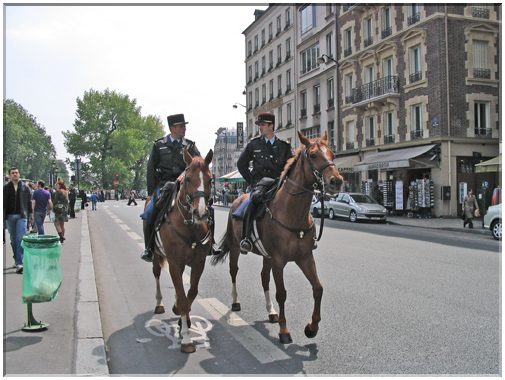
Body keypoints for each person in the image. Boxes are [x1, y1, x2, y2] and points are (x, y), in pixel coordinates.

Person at [140, 113, 220, 262]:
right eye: (181, 126)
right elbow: (151, 169)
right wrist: (151, 193)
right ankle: (149, 248)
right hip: (164, 185)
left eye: (184, 126)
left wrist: (185, 174)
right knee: (150, 211)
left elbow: (198, 164)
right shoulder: (159, 145)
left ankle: (211, 243)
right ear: (173, 128)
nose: (184, 129)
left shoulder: (189, 145)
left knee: (210, 209)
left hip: (186, 184)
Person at [235, 113, 294, 252]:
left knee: (296, 201)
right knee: (252, 202)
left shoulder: (284, 146)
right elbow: (241, 163)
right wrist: (252, 180)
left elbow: (291, 167)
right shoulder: (254, 144)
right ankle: (246, 239)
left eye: (262, 125)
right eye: (259, 125)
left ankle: (305, 236)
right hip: (260, 185)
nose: (260, 128)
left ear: (271, 126)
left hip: (278, 184)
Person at [4, 167, 34, 273]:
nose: (15, 175)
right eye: (13, 173)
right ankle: (16, 258)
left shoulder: (25, 187)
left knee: (20, 239)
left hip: (22, 215)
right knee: (13, 240)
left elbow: (29, 203)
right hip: (10, 216)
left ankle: (19, 262)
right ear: (10, 175)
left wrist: (31, 216)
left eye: (17, 172)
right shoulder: (6, 188)